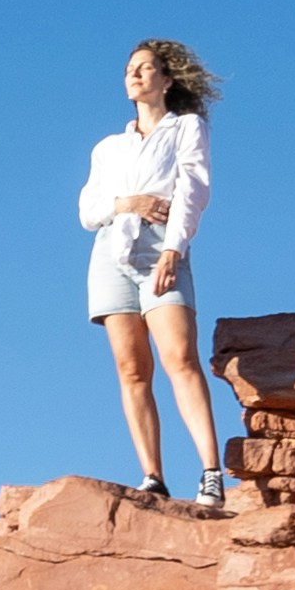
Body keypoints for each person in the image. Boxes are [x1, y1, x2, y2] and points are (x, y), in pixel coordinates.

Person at [78, 37, 232, 507]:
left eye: (146, 68)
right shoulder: (108, 148)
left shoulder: (187, 128)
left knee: (179, 357)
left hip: (161, 249)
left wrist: (173, 250)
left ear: (167, 80)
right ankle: (153, 476)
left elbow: (194, 191)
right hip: (110, 251)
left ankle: (210, 473)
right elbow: (88, 210)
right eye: (130, 69)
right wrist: (127, 203)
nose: (135, 75)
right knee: (131, 369)